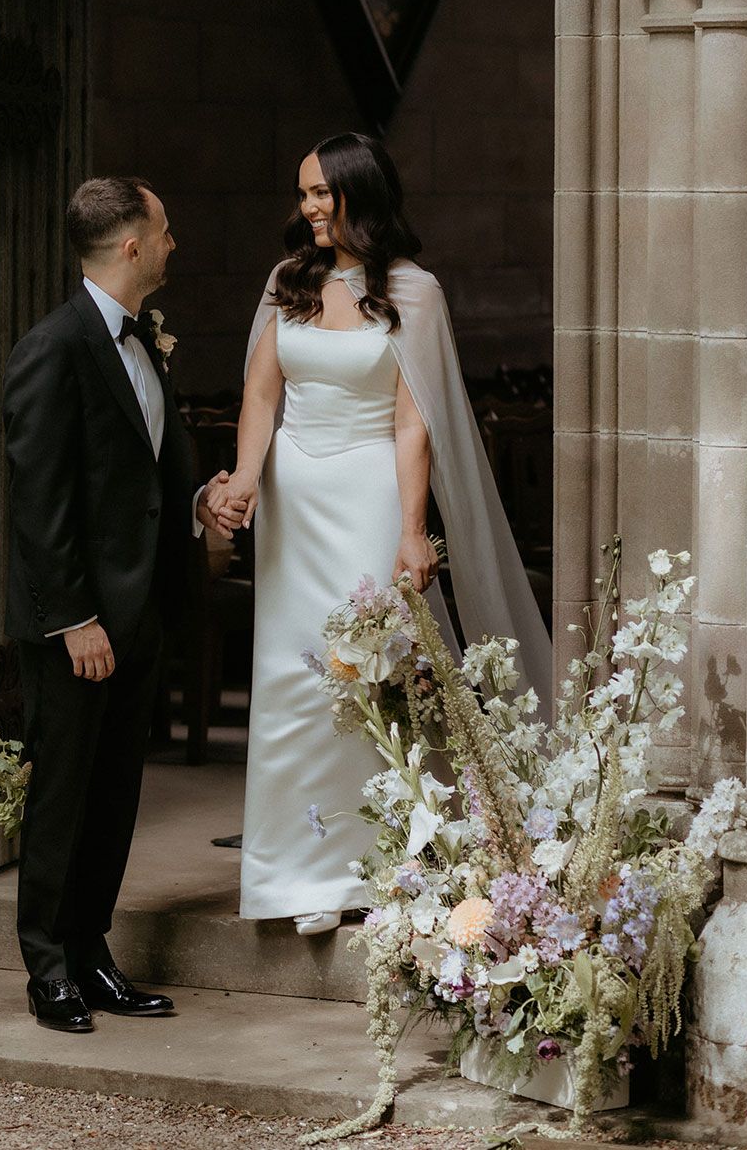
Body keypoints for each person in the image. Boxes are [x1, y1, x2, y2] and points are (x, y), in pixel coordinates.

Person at [216, 133, 552, 935]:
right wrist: (246, 474)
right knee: (296, 678)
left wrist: (412, 529)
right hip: (294, 498)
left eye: (323, 193)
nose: (309, 208)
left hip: (370, 489)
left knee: (373, 677)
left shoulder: (415, 292)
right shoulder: (287, 280)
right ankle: (298, 873)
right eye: (303, 194)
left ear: (362, 194)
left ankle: (384, 865)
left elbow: (415, 424)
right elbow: (263, 395)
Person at [1, 175, 231, 1031]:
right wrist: (73, 619)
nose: (175, 244)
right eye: (165, 231)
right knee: (63, 793)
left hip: (138, 615)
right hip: (80, 625)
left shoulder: (144, 342)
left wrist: (199, 500)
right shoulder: (52, 349)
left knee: (115, 796)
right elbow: (40, 500)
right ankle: (47, 969)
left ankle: (92, 954)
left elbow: (141, 470)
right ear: (131, 244)